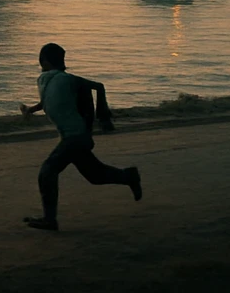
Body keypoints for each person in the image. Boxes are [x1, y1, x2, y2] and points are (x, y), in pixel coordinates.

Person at [19, 42, 141, 231]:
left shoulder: (67, 80)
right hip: (72, 137)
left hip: (75, 137)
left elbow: (98, 86)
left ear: (43, 60)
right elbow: (47, 100)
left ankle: (49, 219)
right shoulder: (47, 80)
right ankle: (128, 176)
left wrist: (103, 115)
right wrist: (30, 110)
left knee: (47, 172)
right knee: (95, 175)